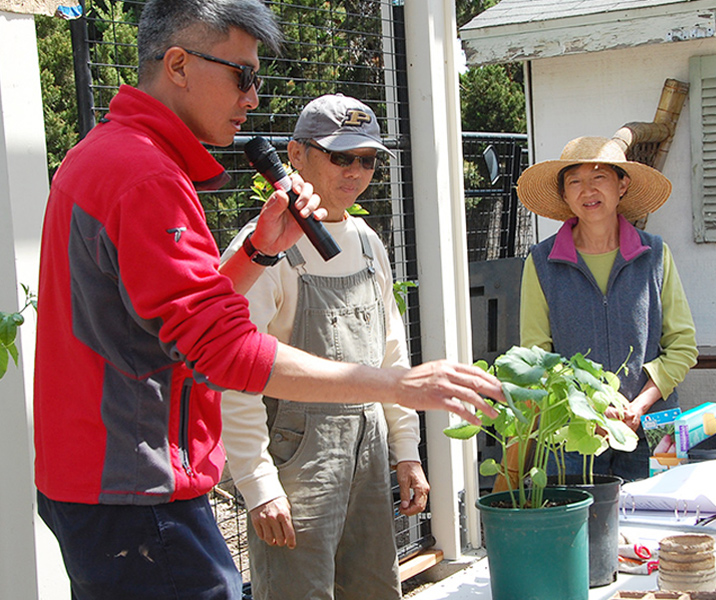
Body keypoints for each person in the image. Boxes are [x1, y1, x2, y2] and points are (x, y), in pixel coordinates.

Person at [32, 2, 502, 599]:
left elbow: (171, 324)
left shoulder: (108, 154)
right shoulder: (144, 174)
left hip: (110, 482)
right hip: (136, 487)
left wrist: (257, 250)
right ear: (178, 64)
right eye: (243, 76)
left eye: (367, 160)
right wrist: (397, 385)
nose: (252, 97)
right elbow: (223, 351)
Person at [220, 94, 425, 600]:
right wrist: (259, 483)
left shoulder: (368, 243)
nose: (355, 171)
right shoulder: (264, 248)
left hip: (370, 450)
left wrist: (407, 451)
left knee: (375, 588)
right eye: (340, 156)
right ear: (294, 154)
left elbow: (390, 355)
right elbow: (234, 374)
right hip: (297, 460)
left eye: (368, 159)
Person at [516, 136, 698, 482]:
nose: (588, 191)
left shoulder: (655, 255)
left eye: (599, 178)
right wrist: (589, 407)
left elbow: (683, 347)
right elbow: (536, 354)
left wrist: (638, 405)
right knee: (577, 533)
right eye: (575, 182)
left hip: (656, 429)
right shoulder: (541, 262)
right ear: (565, 196)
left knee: (660, 527)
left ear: (622, 185)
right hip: (572, 433)